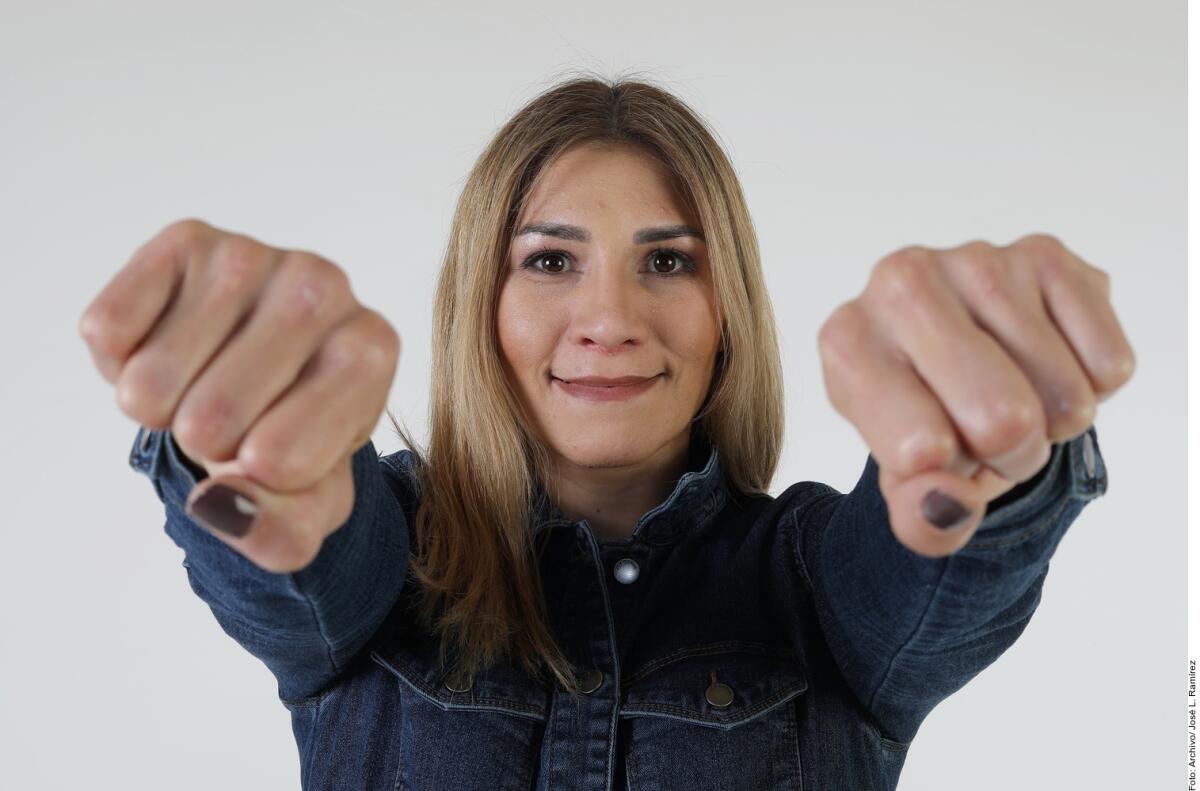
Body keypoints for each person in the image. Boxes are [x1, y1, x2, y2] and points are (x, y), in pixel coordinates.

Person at [81, 74, 1134, 790]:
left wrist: (995, 454)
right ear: (479, 303)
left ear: (729, 311)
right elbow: (304, 561)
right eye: (550, 259)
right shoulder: (390, 545)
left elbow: (940, 563)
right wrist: (256, 450)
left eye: (668, 260)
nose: (611, 317)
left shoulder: (815, 576)